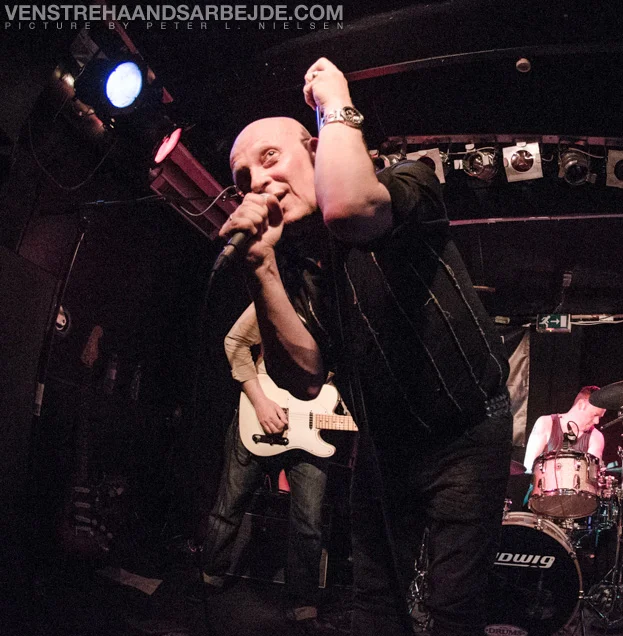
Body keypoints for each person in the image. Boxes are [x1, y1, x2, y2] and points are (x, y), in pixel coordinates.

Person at [218, 56, 512, 636]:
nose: (257, 182)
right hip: (385, 446)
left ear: (315, 147)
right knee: (375, 605)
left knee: (454, 609)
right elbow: (303, 376)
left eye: (270, 157)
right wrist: (261, 269)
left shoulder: (408, 180)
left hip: (467, 429)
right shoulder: (296, 267)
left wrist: (334, 101)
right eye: (243, 177)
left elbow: (353, 209)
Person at [200, 302, 329, 626]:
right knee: (229, 505)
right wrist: (259, 401)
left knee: (309, 521)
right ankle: (208, 579)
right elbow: (235, 341)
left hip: (312, 423)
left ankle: (303, 604)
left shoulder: (347, 311)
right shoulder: (286, 295)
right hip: (261, 412)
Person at [522, 385, 606, 473]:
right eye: (595, 415)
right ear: (581, 405)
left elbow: (591, 475)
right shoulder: (545, 423)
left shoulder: (596, 437)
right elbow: (529, 467)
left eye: (600, 417)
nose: (597, 421)